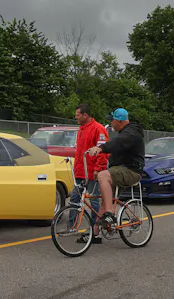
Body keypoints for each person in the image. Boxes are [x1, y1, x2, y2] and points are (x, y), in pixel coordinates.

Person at [87, 108, 145, 228]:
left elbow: (118, 142)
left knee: (103, 175)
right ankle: (94, 233)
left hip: (131, 171)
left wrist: (101, 148)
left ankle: (110, 213)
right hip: (121, 169)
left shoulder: (131, 133)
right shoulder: (126, 132)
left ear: (119, 121)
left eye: (112, 120)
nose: (111, 123)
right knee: (105, 200)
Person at [68, 103, 109, 244]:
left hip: (92, 172)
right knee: (74, 197)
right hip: (81, 172)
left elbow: (103, 152)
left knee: (94, 200)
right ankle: (71, 227)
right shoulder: (82, 129)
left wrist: (98, 168)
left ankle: (94, 229)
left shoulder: (98, 129)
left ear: (85, 115)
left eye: (78, 115)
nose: (76, 117)